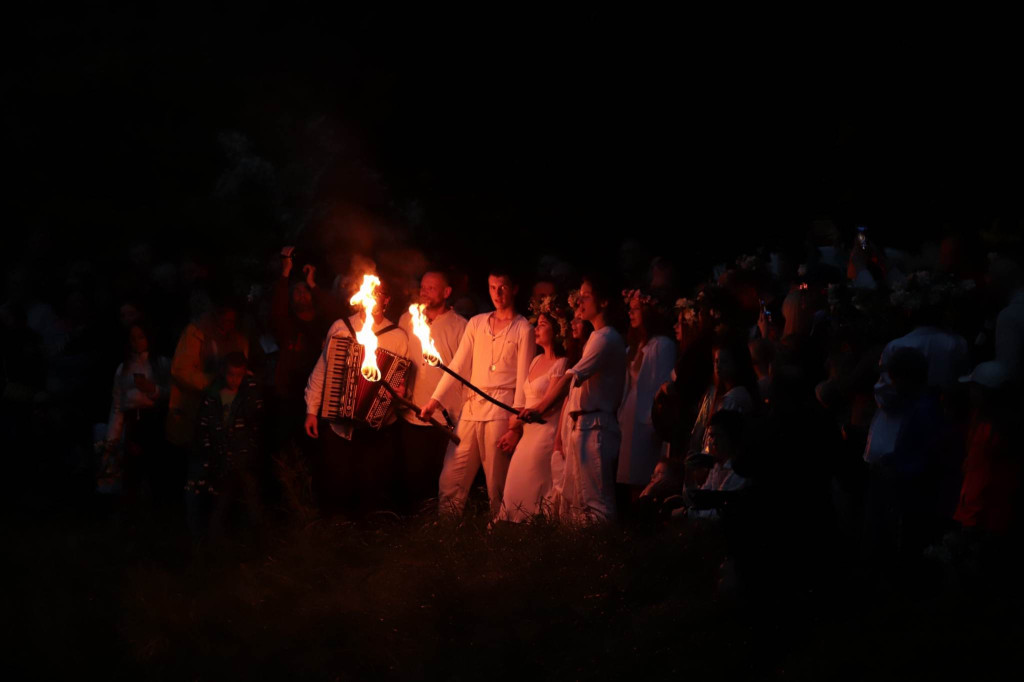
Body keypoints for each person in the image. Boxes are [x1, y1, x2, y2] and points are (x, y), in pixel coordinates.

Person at [420, 268, 534, 517]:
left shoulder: (523, 328)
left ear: (513, 288)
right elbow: (457, 366)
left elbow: (524, 379)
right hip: (470, 410)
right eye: (493, 287)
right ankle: (446, 535)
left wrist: (515, 427)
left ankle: (501, 534)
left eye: (502, 287)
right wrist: (433, 401)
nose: (497, 293)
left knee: (497, 482)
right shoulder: (477, 323)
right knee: (451, 477)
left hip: (500, 409)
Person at [521, 275, 626, 522]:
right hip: (584, 426)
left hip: (596, 427)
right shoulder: (596, 338)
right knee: (580, 501)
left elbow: (570, 378)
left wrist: (539, 407)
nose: (579, 301)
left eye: (586, 296)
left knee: (597, 502)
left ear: (605, 302)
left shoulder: (605, 337)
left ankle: (604, 553)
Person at [304, 275, 409, 516]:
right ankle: (336, 540)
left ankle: (368, 543)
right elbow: (322, 369)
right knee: (337, 487)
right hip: (339, 427)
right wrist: (311, 410)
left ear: (387, 301)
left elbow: (402, 388)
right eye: (369, 294)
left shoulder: (398, 337)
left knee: (370, 489)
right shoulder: (341, 327)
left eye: (378, 295)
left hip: (377, 431)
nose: (372, 299)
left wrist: (399, 395)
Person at [166, 300, 249, 510]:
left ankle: (217, 521)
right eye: (224, 317)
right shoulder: (196, 333)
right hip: (198, 412)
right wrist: (214, 382)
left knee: (222, 472)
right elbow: (180, 370)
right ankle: (193, 520)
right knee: (198, 467)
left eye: (232, 319)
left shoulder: (238, 339)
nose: (228, 323)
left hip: (227, 416)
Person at [396, 270, 467, 512]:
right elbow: (400, 358)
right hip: (413, 415)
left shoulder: (461, 327)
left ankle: (443, 531)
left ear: (447, 293)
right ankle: (418, 530)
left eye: (431, 288)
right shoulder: (408, 319)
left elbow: (465, 374)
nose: (424, 292)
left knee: (444, 479)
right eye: (423, 287)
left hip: (445, 419)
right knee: (414, 477)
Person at [498, 297, 570, 522]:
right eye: (536, 324)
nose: (536, 329)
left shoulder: (562, 363)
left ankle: (535, 523)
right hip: (529, 433)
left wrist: (533, 412)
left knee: (534, 481)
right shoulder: (535, 360)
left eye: (543, 325)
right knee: (515, 479)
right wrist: (516, 424)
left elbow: (552, 400)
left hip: (546, 432)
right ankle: (511, 523)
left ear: (557, 331)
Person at [188, 352, 264, 541]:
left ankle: (258, 540)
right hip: (220, 457)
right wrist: (208, 451)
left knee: (251, 499)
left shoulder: (248, 395)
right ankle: (213, 543)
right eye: (231, 374)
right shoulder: (213, 396)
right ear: (224, 372)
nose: (234, 380)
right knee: (220, 500)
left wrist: (251, 388)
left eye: (239, 375)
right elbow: (203, 425)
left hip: (243, 457)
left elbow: (256, 419)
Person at [98, 324, 170, 500]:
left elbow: (173, 394)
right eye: (133, 338)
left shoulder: (160, 363)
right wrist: (112, 438)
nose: (137, 342)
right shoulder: (123, 368)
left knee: (154, 470)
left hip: (153, 420)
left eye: (141, 337)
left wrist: (153, 389)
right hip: (133, 423)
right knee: (132, 471)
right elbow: (117, 405)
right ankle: (131, 516)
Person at [616, 289, 676, 502]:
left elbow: (661, 382)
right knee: (630, 476)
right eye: (629, 310)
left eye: (636, 309)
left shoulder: (661, 345)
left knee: (646, 473)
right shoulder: (635, 346)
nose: (630, 314)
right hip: (630, 414)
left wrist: (655, 419)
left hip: (647, 415)